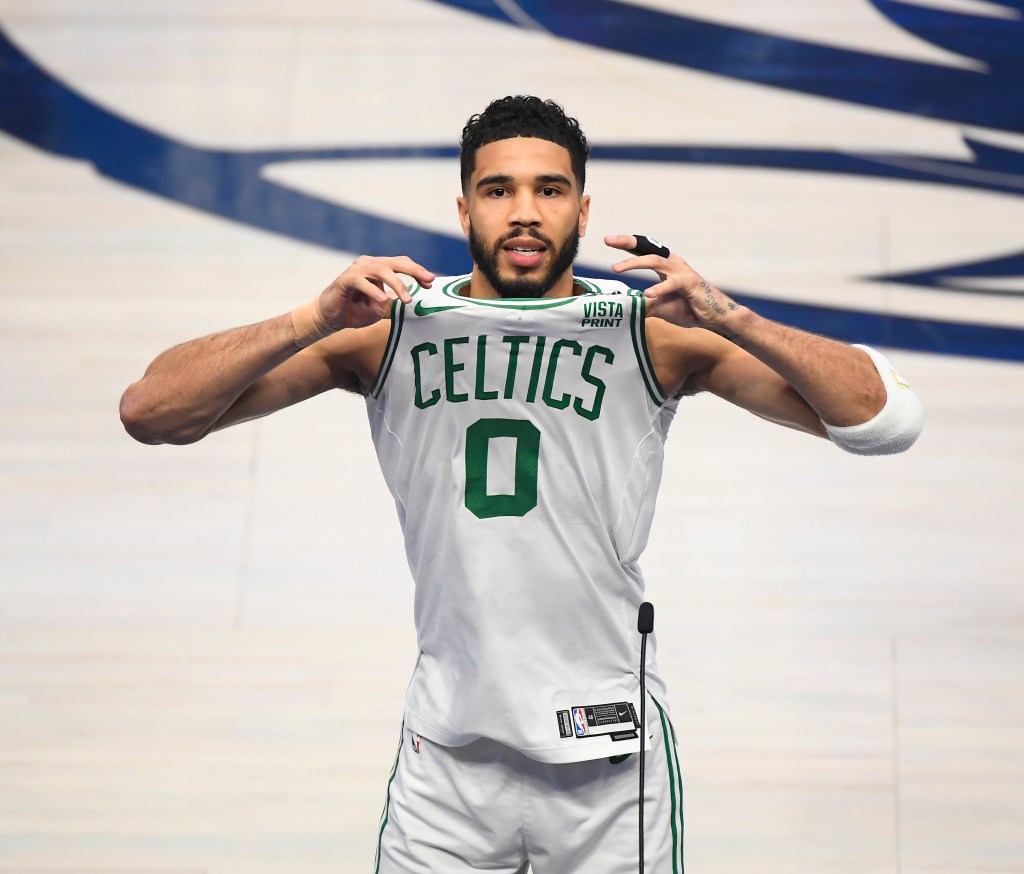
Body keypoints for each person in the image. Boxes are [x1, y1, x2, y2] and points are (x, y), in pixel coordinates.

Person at [120, 95, 923, 873]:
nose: (526, 211)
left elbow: (886, 423)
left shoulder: (653, 334)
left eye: (550, 189)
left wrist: (730, 316)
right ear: (464, 211)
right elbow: (152, 412)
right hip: (448, 759)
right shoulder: (387, 328)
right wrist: (309, 320)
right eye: (498, 190)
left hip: (610, 763)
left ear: (581, 208)